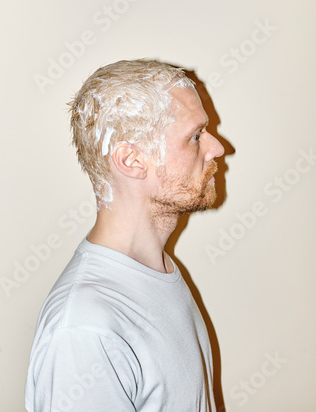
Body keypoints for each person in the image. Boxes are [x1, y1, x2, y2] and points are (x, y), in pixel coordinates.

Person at [25, 59, 225, 412]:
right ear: (132, 161)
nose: (217, 148)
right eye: (195, 136)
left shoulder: (158, 270)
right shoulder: (85, 328)